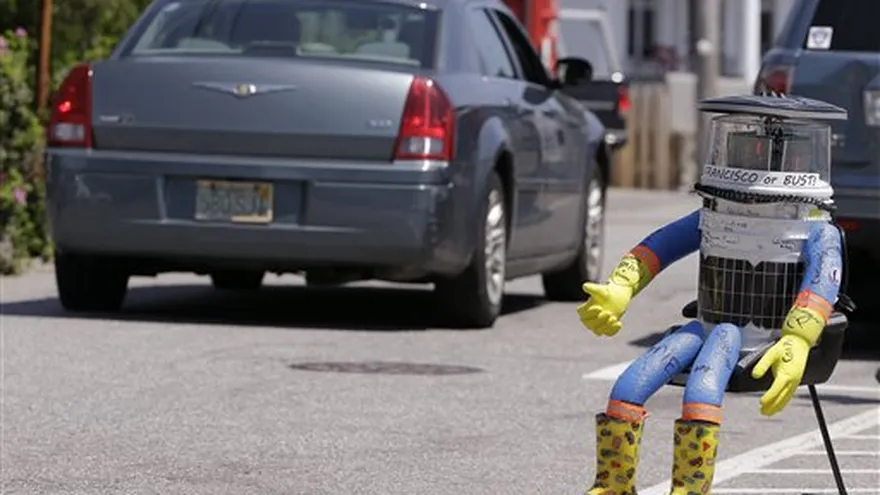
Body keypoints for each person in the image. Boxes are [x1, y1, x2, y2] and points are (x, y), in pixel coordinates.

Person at [576, 94, 848, 495]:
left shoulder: (816, 229)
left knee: (701, 388)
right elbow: (658, 247)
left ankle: (688, 488)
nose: (757, 167)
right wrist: (620, 287)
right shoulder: (712, 215)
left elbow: (824, 278)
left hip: (754, 339)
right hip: (710, 326)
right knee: (628, 386)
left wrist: (798, 336)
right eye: (746, 152)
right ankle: (614, 485)